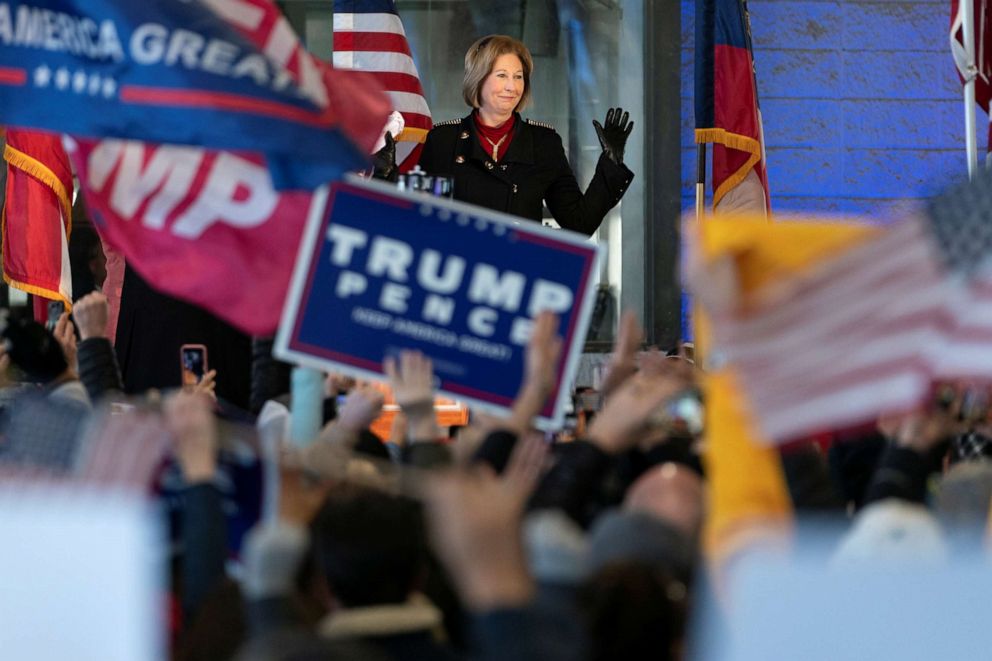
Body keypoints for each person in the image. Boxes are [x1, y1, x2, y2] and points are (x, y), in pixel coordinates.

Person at [376, 34, 634, 237]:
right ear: (478, 79)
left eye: (518, 77)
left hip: (516, 281)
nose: (512, 86)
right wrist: (385, 177)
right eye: (502, 76)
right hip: (461, 279)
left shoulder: (543, 143)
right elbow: (418, 218)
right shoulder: (444, 140)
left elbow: (578, 224)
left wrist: (611, 164)